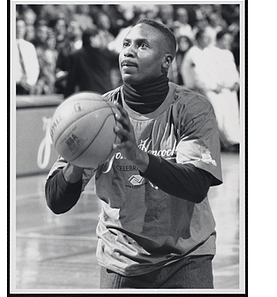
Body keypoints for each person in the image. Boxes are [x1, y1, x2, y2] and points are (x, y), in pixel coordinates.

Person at [45, 18, 222, 289]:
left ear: (166, 61)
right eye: (126, 44)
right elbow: (56, 201)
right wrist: (77, 161)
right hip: (121, 258)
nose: (128, 51)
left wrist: (137, 156)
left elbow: (197, 185)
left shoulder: (192, 108)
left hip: (186, 256)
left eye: (142, 45)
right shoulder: (99, 113)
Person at [64, 26, 118, 97]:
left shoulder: (75, 56)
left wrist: (67, 96)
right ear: (92, 39)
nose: (101, 40)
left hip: (88, 97)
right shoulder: (106, 53)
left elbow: (71, 79)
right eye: (99, 38)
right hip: (107, 95)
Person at [14, 17, 39, 95]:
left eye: (22, 27)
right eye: (17, 27)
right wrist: (17, 81)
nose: (19, 29)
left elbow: (35, 67)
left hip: (29, 86)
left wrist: (30, 82)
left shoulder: (29, 46)